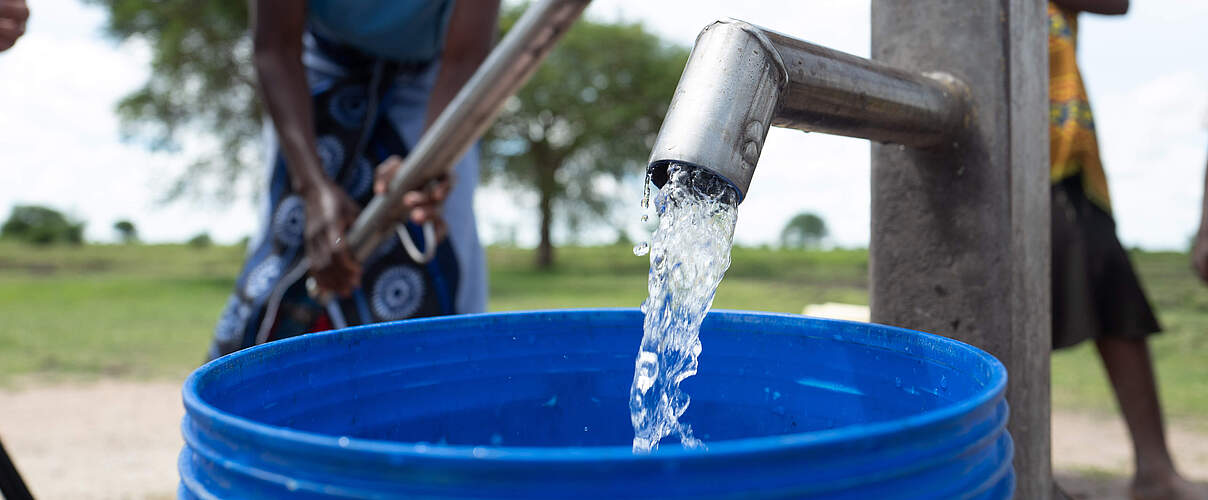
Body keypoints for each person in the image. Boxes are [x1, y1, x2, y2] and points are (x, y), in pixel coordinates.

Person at [207, 0, 498, 359]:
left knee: (437, 239)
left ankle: (446, 391)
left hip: (433, 86)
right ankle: (249, 389)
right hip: (313, 73)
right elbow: (274, 46)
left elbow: (464, 57)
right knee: (290, 238)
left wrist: (430, 166)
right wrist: (312, 187)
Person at [1048, 2, 1200, 499]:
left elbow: (1118, 2)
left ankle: (1154, 470)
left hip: (1067, 157)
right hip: (995, 155)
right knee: (999, 316)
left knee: (1118, 307)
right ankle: (1021, 463)